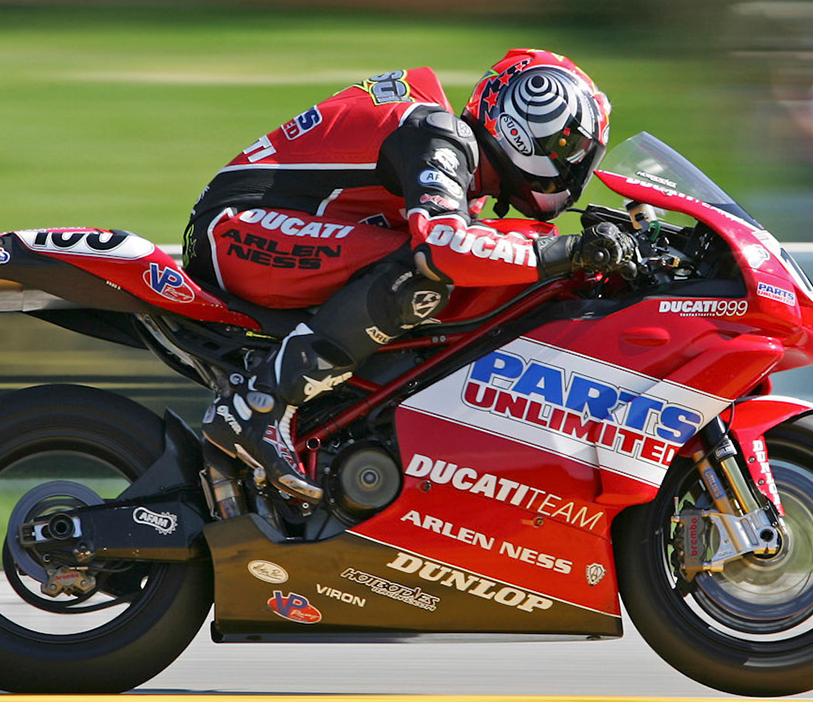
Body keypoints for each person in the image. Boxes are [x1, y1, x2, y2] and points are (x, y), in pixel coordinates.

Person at [183, 49, 639, 503]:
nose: (576, 166)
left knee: (471, 262)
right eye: (567, 148)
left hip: (266, 231)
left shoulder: (457, 165)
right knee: (428, 269)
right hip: (237, 229)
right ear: (523, 127)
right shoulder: (437, 134)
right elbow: (444, 247)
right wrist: (571, 250)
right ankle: (258, 405)